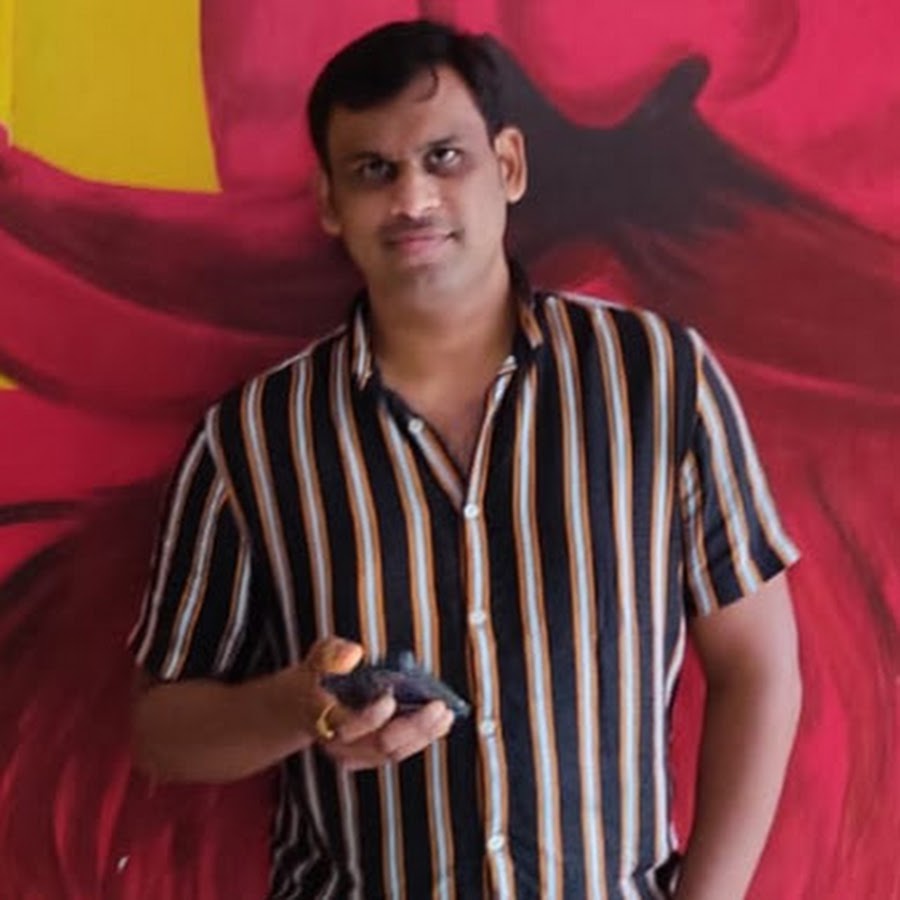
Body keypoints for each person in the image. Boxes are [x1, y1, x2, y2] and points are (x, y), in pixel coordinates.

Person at [129, 19, 802, 900]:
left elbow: (759, 669)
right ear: (330, 201)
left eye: (444, 158)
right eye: (374, 170)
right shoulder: (254, 439)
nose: (413, 198)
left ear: (508, 167)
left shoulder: (656, 379)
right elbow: (163, 732)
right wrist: (298, 706)